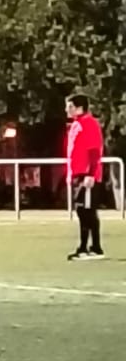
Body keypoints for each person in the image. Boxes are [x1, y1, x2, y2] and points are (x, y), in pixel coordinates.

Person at [65, 93, 111, 261]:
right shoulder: (76, 125)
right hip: (78, 174)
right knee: (82, 210)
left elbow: (94, 151)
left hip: (86, 174)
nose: (67, 110)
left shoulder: (89, 124)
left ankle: (92, 247)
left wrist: (91, 174)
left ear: (79, 108)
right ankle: (88, 247)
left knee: (87, 210)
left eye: (70, 106)